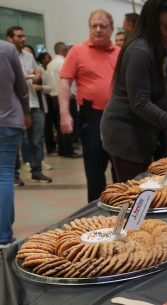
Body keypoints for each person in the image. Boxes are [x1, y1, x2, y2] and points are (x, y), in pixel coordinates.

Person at [101, 0, 167, 183]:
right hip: (126, 136)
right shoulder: (139, 52)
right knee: (136, 194)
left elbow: (164, 95)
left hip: (147, 134)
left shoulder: (163, 48)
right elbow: (141, 103)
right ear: (151, 22)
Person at [59, 9, 120, 202]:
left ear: (111, 29)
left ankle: (122, 209)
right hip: (91, 117)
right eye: (94, 25)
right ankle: (96, 213)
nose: (98, 29)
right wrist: (64, 114)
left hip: (119, 117)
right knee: (94, 170)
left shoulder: (120, 52)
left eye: (103, 26)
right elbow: (64, 82)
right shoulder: (77, 51)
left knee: (120, 167)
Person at [6, 26, 52, 183]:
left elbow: (37, 77)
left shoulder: (28, 56)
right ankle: (14, 174)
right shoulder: (6, 55)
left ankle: (37, 170)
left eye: (23, 36)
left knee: (37, 140)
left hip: (33, 101)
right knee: (16, 142)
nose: (23, 39)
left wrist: (38, 75)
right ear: (9, 38)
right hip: (15, 105)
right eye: (19, 36)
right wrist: (25, 76)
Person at [0, 40, 30, 246]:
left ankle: (4, 229)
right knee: (4, 175)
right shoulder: (7, 49)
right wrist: (27, 111)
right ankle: (3, 234)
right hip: (9, 120)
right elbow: (22, 87)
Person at [47, 41, 79, 158]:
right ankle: (68, 150)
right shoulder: (64, 62)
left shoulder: (50, 64)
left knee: (60, 125)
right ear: (64, 51)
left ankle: (61, 149)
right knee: (68, 124)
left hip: (54, 97)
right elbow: (65, 81)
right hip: (66, 97)